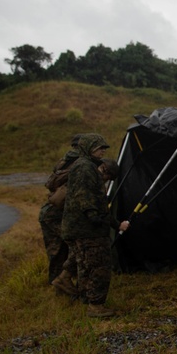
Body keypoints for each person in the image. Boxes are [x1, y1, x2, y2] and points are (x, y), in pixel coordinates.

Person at [60, 134, 130, 318]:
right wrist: (96, 218)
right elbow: (87, 200)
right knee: (99, 266)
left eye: (104, 148)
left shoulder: (83, 166)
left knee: (85, 266)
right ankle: (96, 305)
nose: (103, 151)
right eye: (99, 147)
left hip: (80, 228)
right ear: (89, 147)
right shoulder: (85, 168)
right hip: (88, 230)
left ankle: (86, 298)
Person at [41, 134, 81, 292]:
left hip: (49, 211)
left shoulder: (65, 160)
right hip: (57, 213)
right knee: (75, 246)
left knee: (56, 251)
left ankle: (56, 284)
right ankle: (62, 283)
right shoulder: (79, 163)